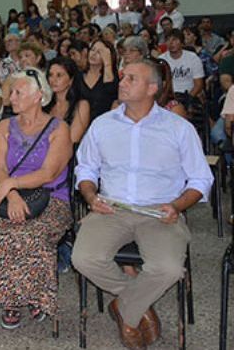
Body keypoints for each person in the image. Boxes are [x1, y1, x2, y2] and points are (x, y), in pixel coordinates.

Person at [72, 60, 212, 350]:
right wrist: (90, 196)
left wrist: (177, 205)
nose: (122, 82)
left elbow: (200, 179)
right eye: (123, 77)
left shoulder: (177, 128)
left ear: (152, 88)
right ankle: (137, 305)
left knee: (169, 269)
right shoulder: (103, 124)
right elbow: (85, 169)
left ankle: (126, 310)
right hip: (112, 207)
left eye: (131, 79)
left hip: (160, 211)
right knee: (84, 258)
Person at [0, 68, 73, 328]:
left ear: (39, 96)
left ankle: (36, 296)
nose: (11, 97)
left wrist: (10, 184)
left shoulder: (59, 129)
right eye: (11, 91)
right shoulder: (5, 126)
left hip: (51, 197)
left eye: (18, 92)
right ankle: (10, 297)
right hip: (8, 194)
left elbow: (49, 173)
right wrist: (12, 194)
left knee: (31, 235)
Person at [45, 57, 90, 144]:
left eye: (59, 75)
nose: (53, 80)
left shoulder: (81, 105)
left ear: (71, 80)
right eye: (50, 75)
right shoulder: (45, 103)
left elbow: (73, 139)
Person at [80, 39, 118, 122]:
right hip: (78, 122)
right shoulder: (78, 75)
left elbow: (110, 90)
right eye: (93, 50)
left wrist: (107, 63)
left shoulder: (110, 77)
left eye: (99, 52)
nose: (93, 54)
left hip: (101, 123)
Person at [159, 29, 203, 98]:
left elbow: (198, 84)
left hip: (189, 95)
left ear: (182, 42)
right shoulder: (161, 60)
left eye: (175, 40)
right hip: (168, 97)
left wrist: (188, 99)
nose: (171, 43)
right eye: (168, 40)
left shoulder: (193, 58)